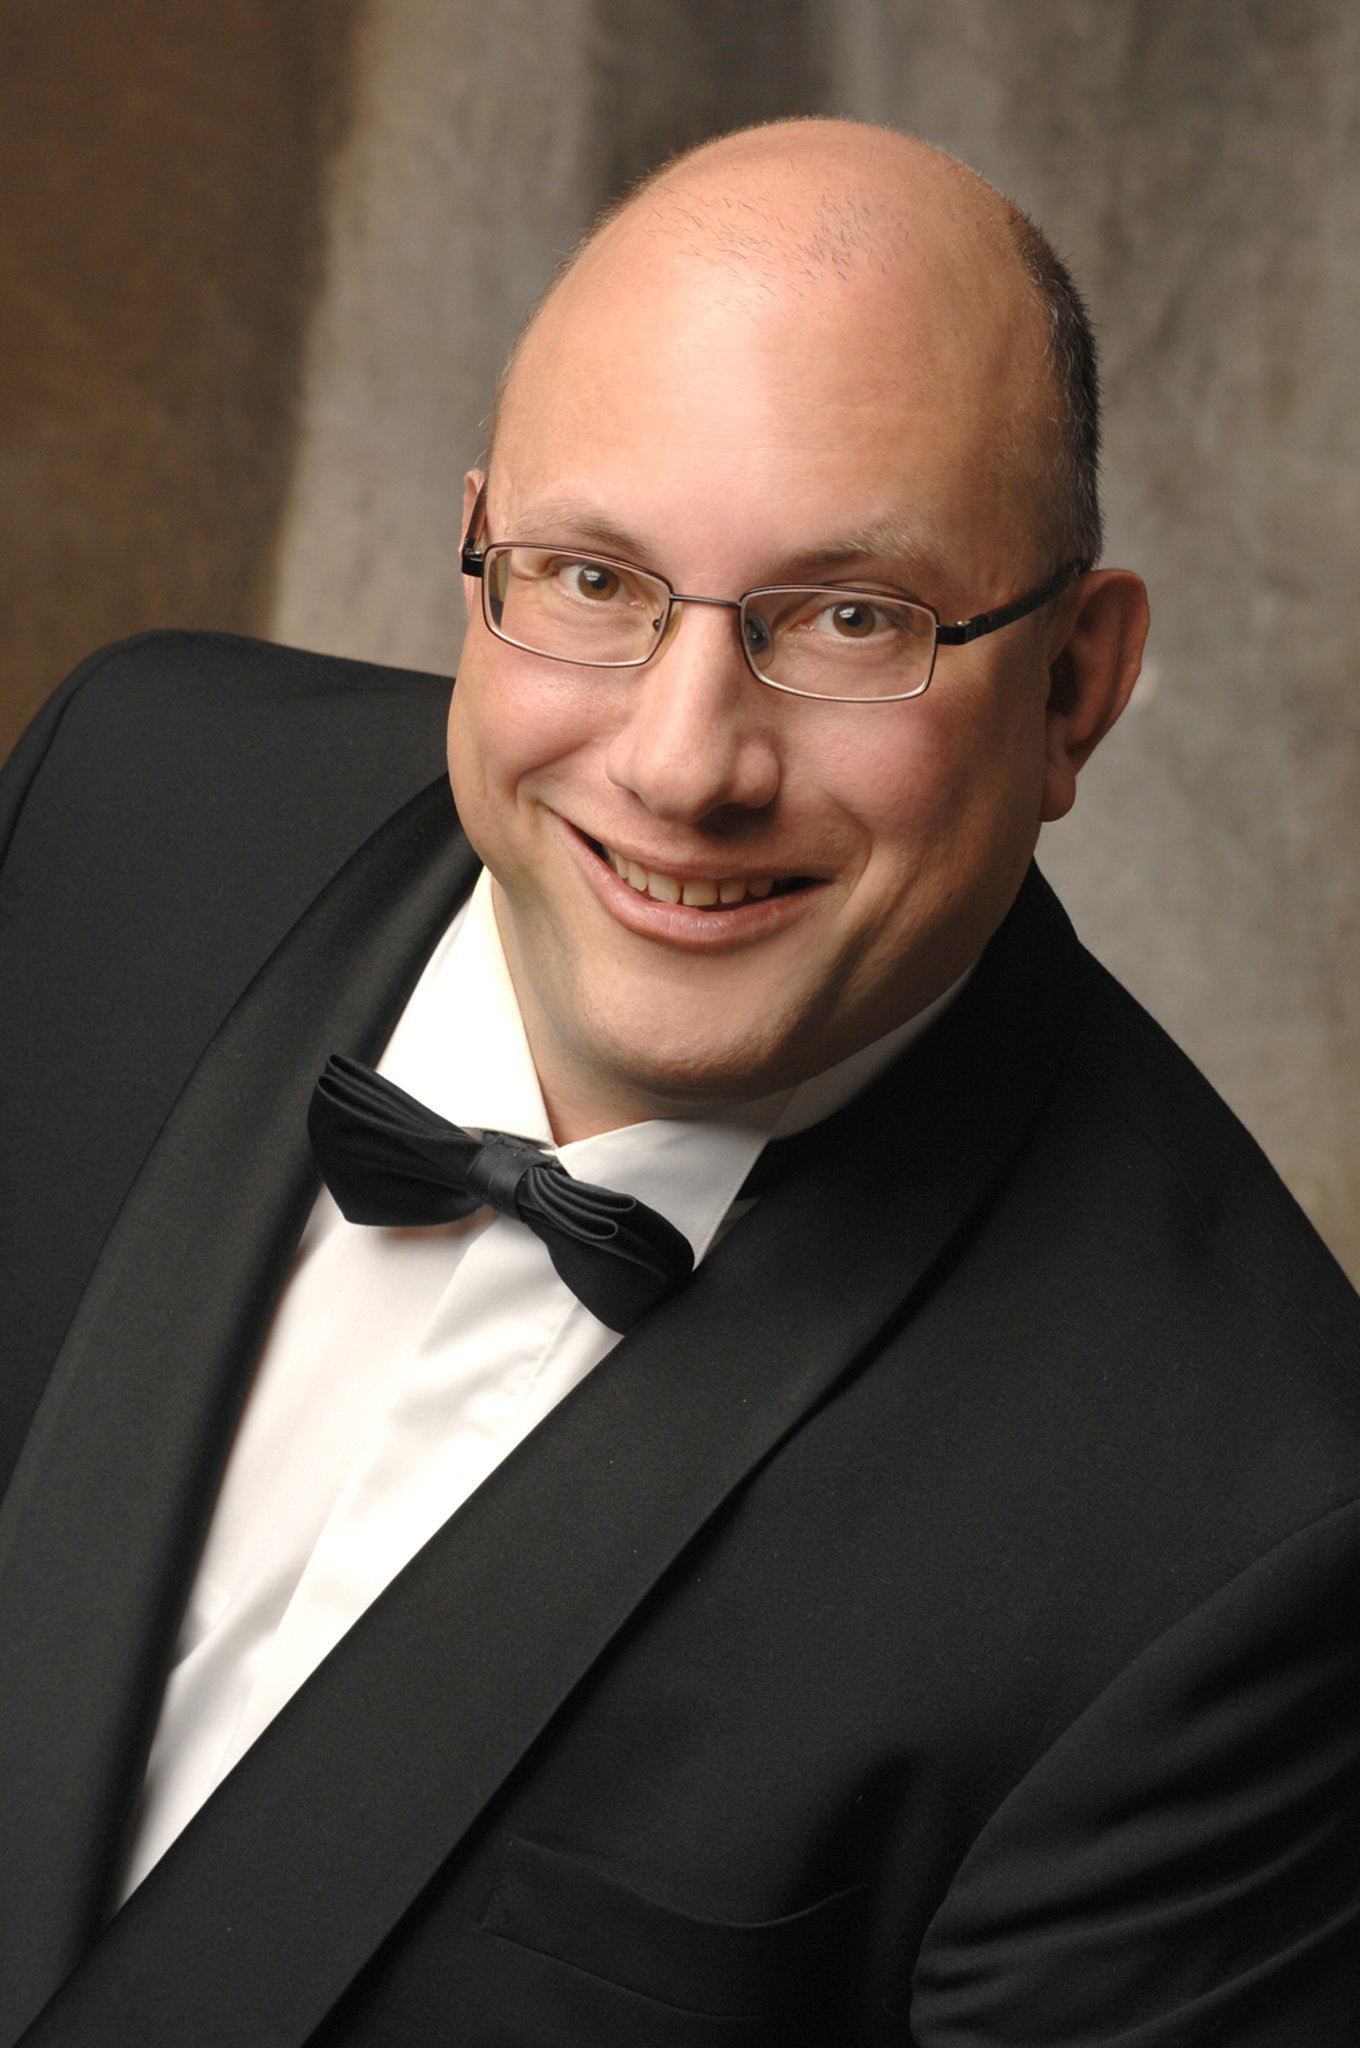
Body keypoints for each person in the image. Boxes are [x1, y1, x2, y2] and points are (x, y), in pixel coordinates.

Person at [0, 118, 1356, 2047]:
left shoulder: (1247, 1533)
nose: (683, 762)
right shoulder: (120, 798)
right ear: (481, 551)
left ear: (1076, 685)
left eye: (853, 618)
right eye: (592, 577)